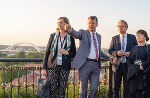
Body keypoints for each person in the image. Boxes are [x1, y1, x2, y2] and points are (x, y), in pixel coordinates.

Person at [65, 16, 111, 98]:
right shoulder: (83, 32)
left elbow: (99, 51)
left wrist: (108, 58)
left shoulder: (99, 36)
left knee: (94, 88)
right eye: (89, 23)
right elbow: (76, 34)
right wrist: (70, 30)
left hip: (96, 65)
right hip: (85, 64)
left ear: (97, 24)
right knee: (83, 90)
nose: (91, 24)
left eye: (93, 23)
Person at [42, 17, 76, 98]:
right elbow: (47, 52)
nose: (59, 24)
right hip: (53, 66)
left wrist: (67, 52)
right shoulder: (53, 36)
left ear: (66, 24)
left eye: (61, 22)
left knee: (62, 90)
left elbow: (74, 53)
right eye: (58, 23)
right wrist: (44, 68)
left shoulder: (71, 37)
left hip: (64, 67)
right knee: (52, 90)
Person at [108, 20, 137, 98]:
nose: (120, 28)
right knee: (115, 88)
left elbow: (136, 49)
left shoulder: (132, 37)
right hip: (117, 66)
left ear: (126, 27)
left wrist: (131, 53)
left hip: (128, 65)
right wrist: (116, 53)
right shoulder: (114, 38)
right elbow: (110, 50)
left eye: (122, 26)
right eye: (118, 26)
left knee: (127, 88)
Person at [127, 30, 150, 98]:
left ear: (145, 37)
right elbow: (129, 59)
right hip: (133, 73)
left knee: (142, 93)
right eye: (137, 35)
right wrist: (131, 67)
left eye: (141, 35)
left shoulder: (148, 47)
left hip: (143, 74)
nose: (138, 36)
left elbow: (149, 59)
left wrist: (143, 65)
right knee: (132, 92)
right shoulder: (134, 47)